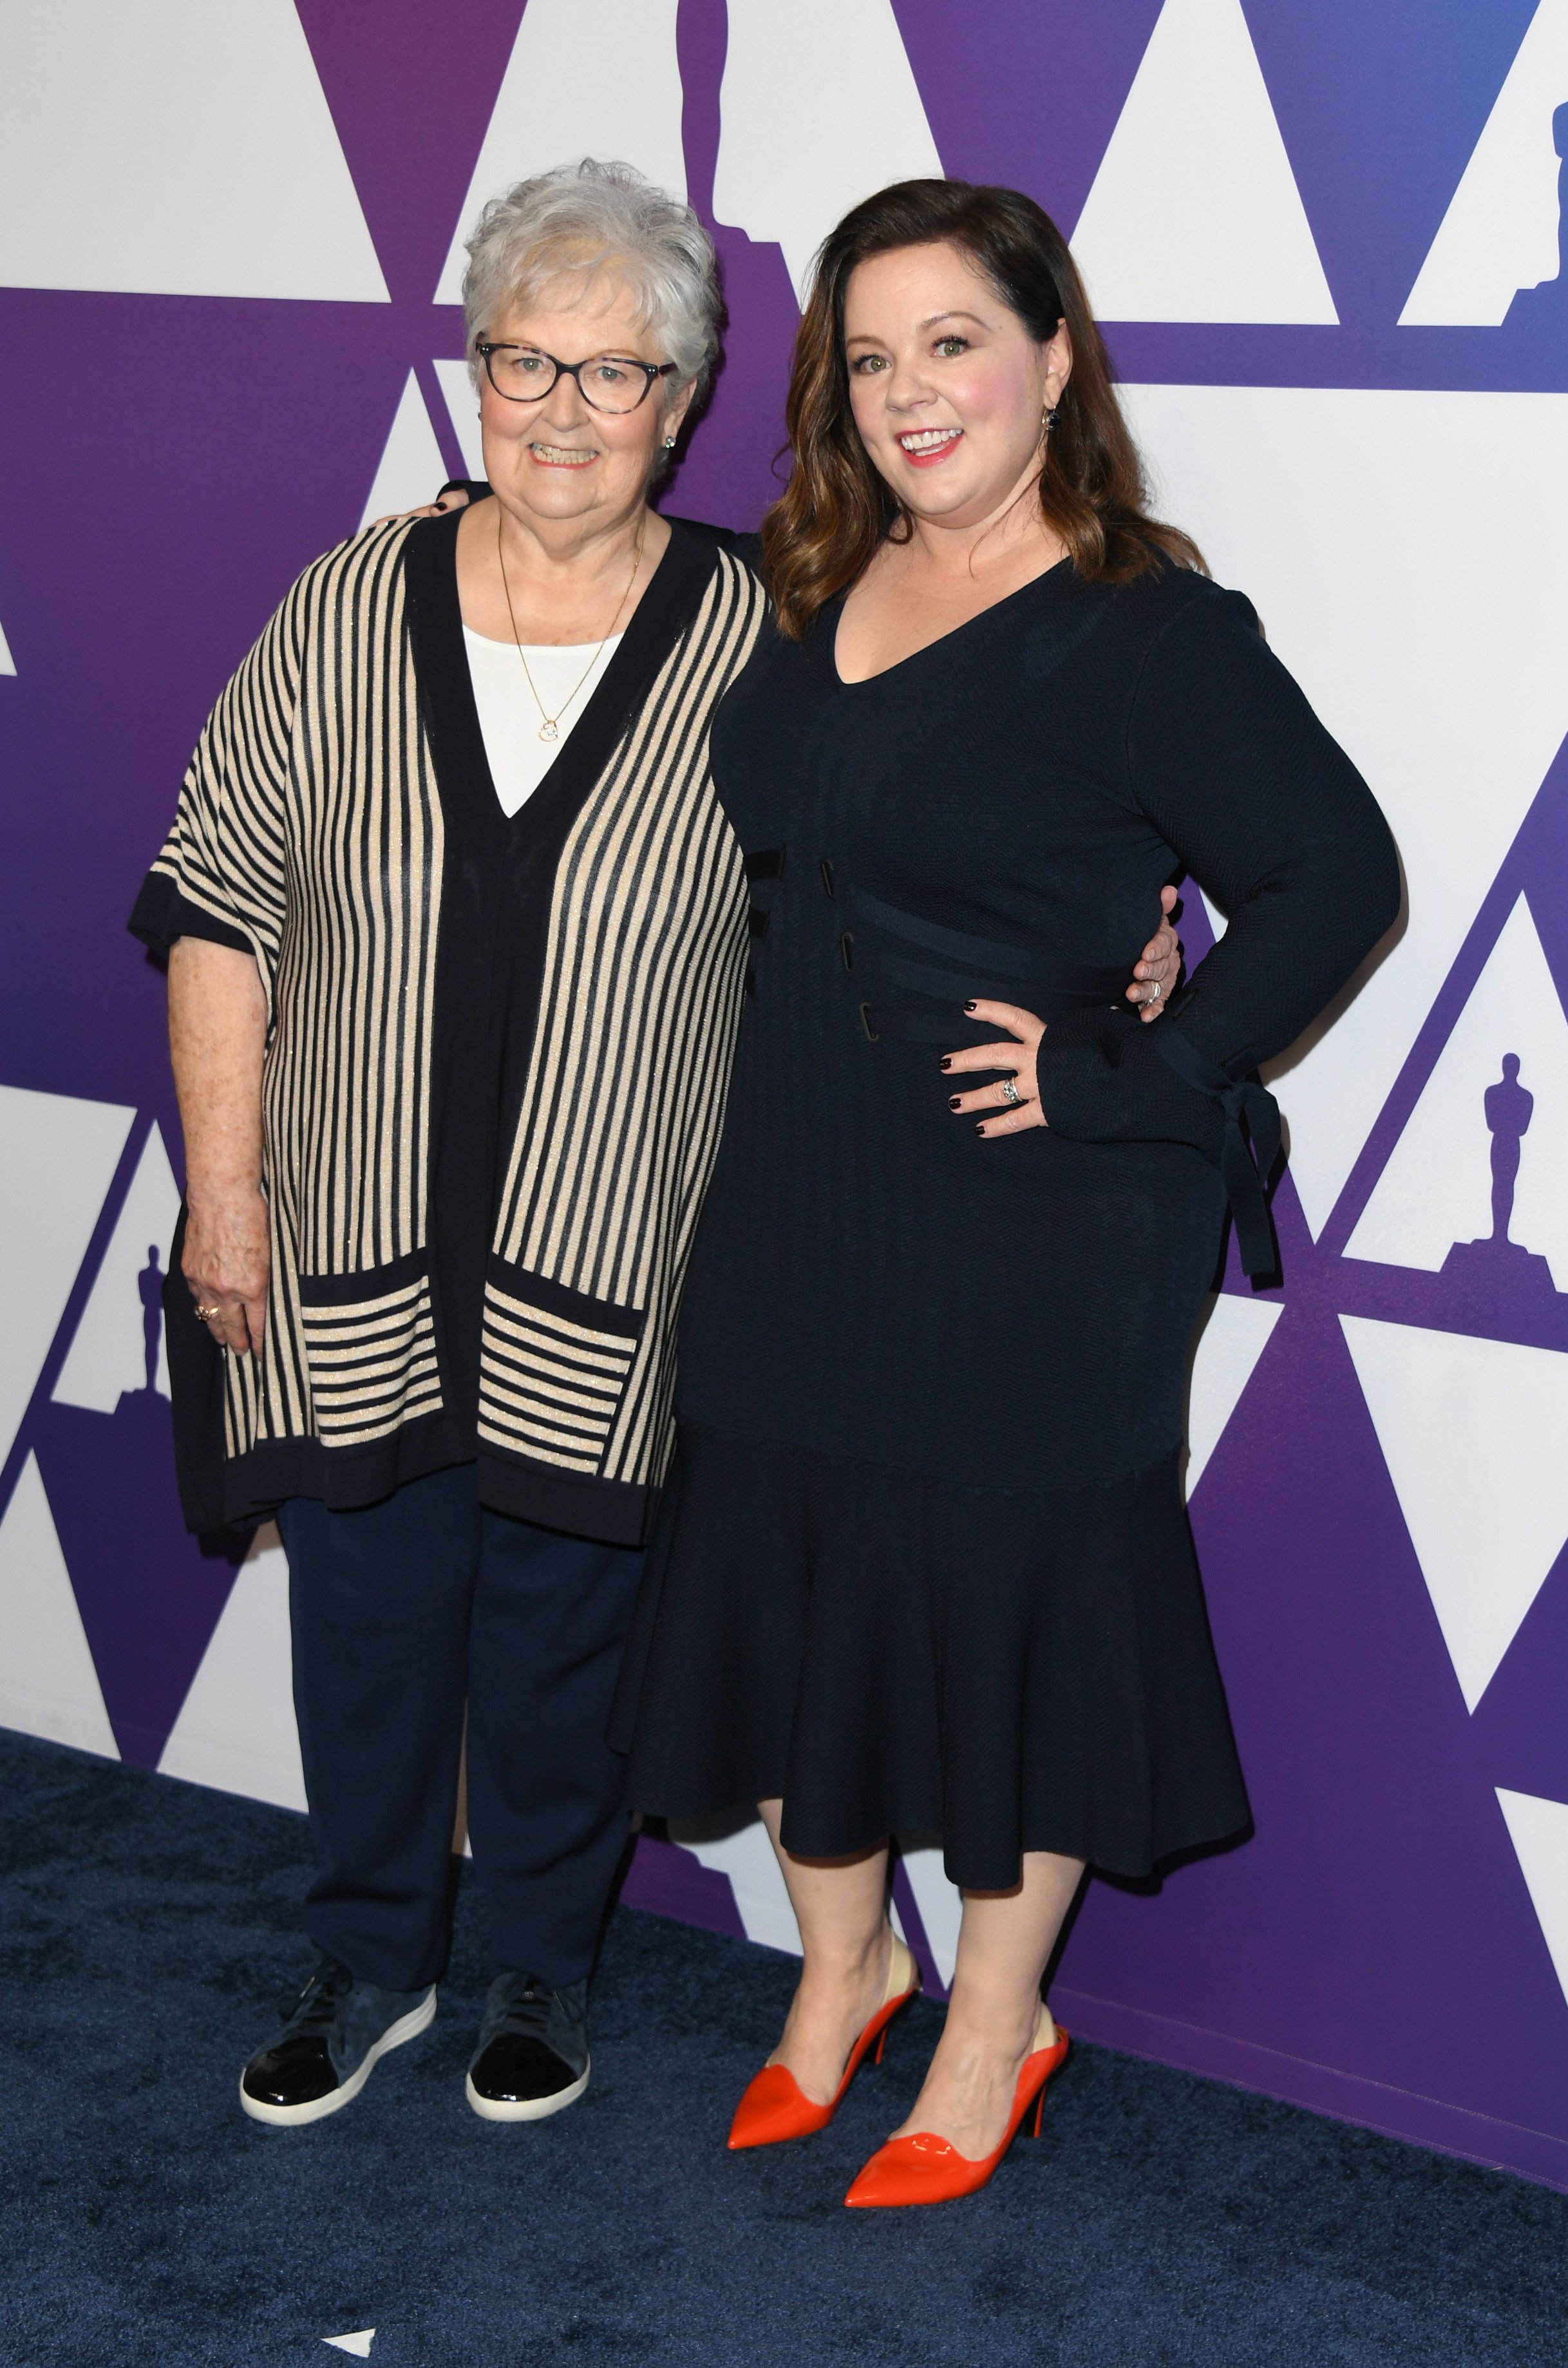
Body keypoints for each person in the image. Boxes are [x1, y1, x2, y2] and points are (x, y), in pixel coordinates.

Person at [129, 161, 1180, 2132]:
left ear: (682, 406)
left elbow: (924, 822)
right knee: (364, 1627)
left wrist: (1113, 934)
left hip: (617, 1261)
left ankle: (540, 1964)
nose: (557, 410)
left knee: (563, 1634)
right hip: (344, 1238)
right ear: (468, 372)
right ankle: (366, 1960)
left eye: (614, 375)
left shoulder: (757, 627)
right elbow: (216, 900)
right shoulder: (350, 599)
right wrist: (225, 1181)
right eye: (521, 361)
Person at [611, 178, 1401, 2207]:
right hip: (793, 1193)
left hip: (1029, 1231)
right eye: (866, 360)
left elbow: (1334, 881)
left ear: (1054, 357)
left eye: (950, 341)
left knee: (1009, 1638)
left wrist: (1137, 1065)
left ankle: (992, 2028)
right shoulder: (810, 582)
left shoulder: (1150, 626)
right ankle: (844, 1968)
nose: (906, 393)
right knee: (789, 1607)